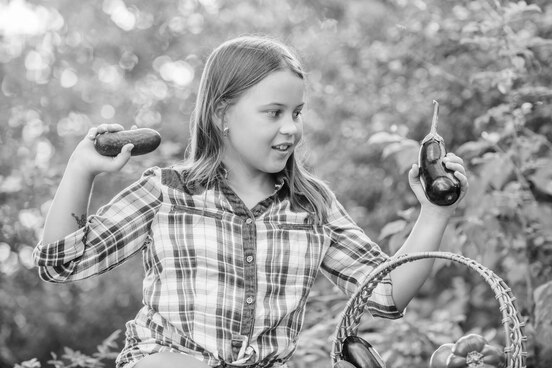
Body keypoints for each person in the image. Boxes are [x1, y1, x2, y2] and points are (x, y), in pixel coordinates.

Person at [33, 35, 468, 368]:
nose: (291, 129)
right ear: (222, 114)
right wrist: (81, 168)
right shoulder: (167, 192)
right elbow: (62, 262)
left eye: (296, 113)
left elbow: (385, 295)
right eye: (273, 112)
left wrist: (435, 209)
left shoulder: (311, 207)